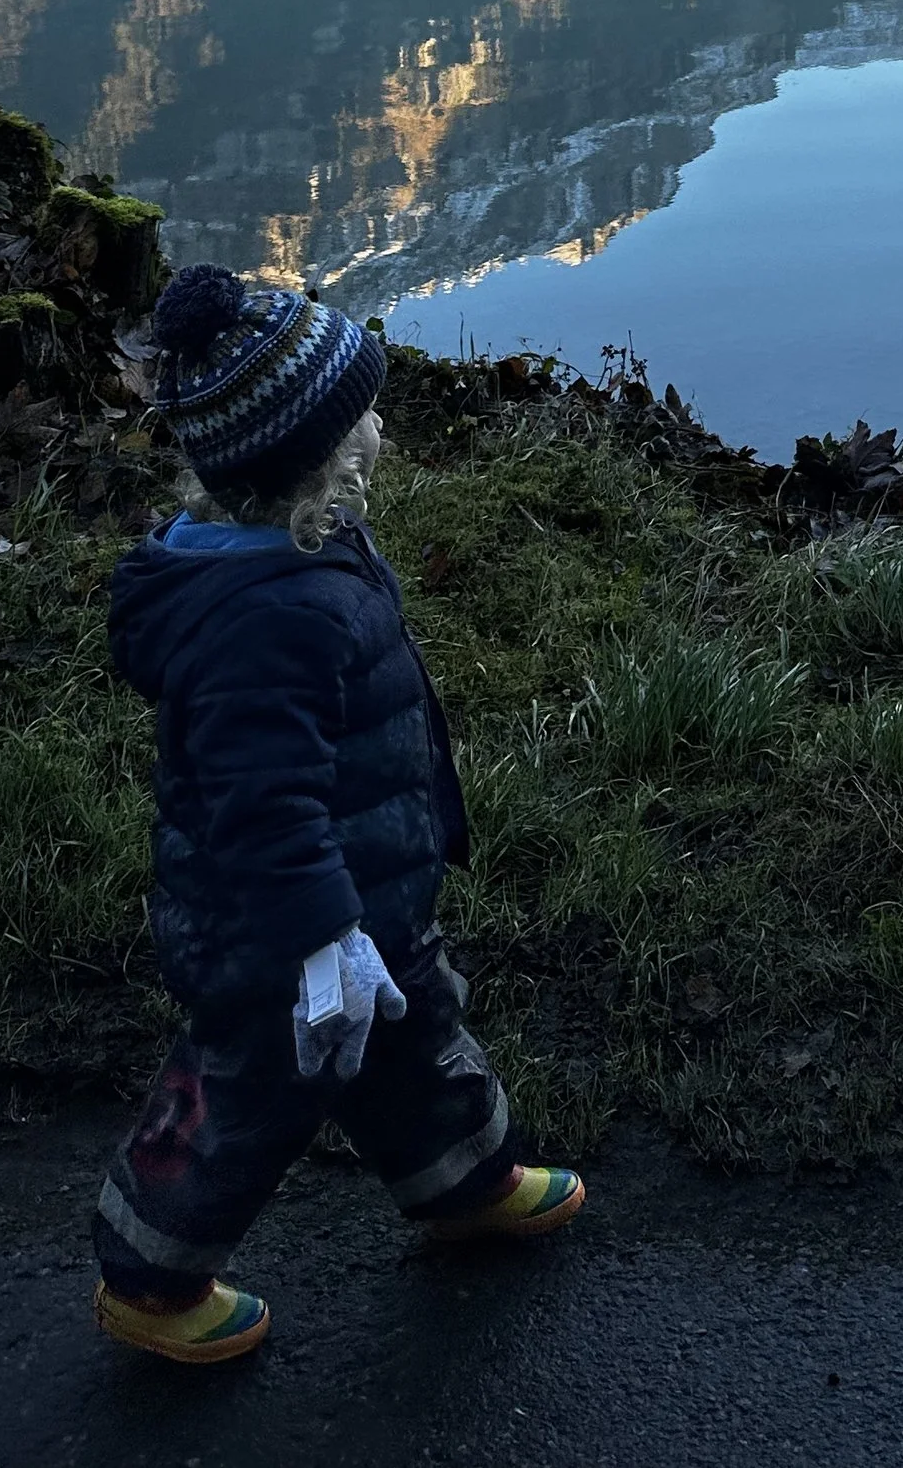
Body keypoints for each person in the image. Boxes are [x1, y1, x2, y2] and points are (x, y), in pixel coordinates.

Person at [90, 265, 583, 1364]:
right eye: (361, 412)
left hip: (369, 896)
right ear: (322, 454)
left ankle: (465, 1183)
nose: (376, 424)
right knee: (248, 1090)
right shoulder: (271, 623)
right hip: (278, 934)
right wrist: (320, 939)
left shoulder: (297, 557)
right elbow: (264, 807)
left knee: (415, 1042)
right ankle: (147, 1275)